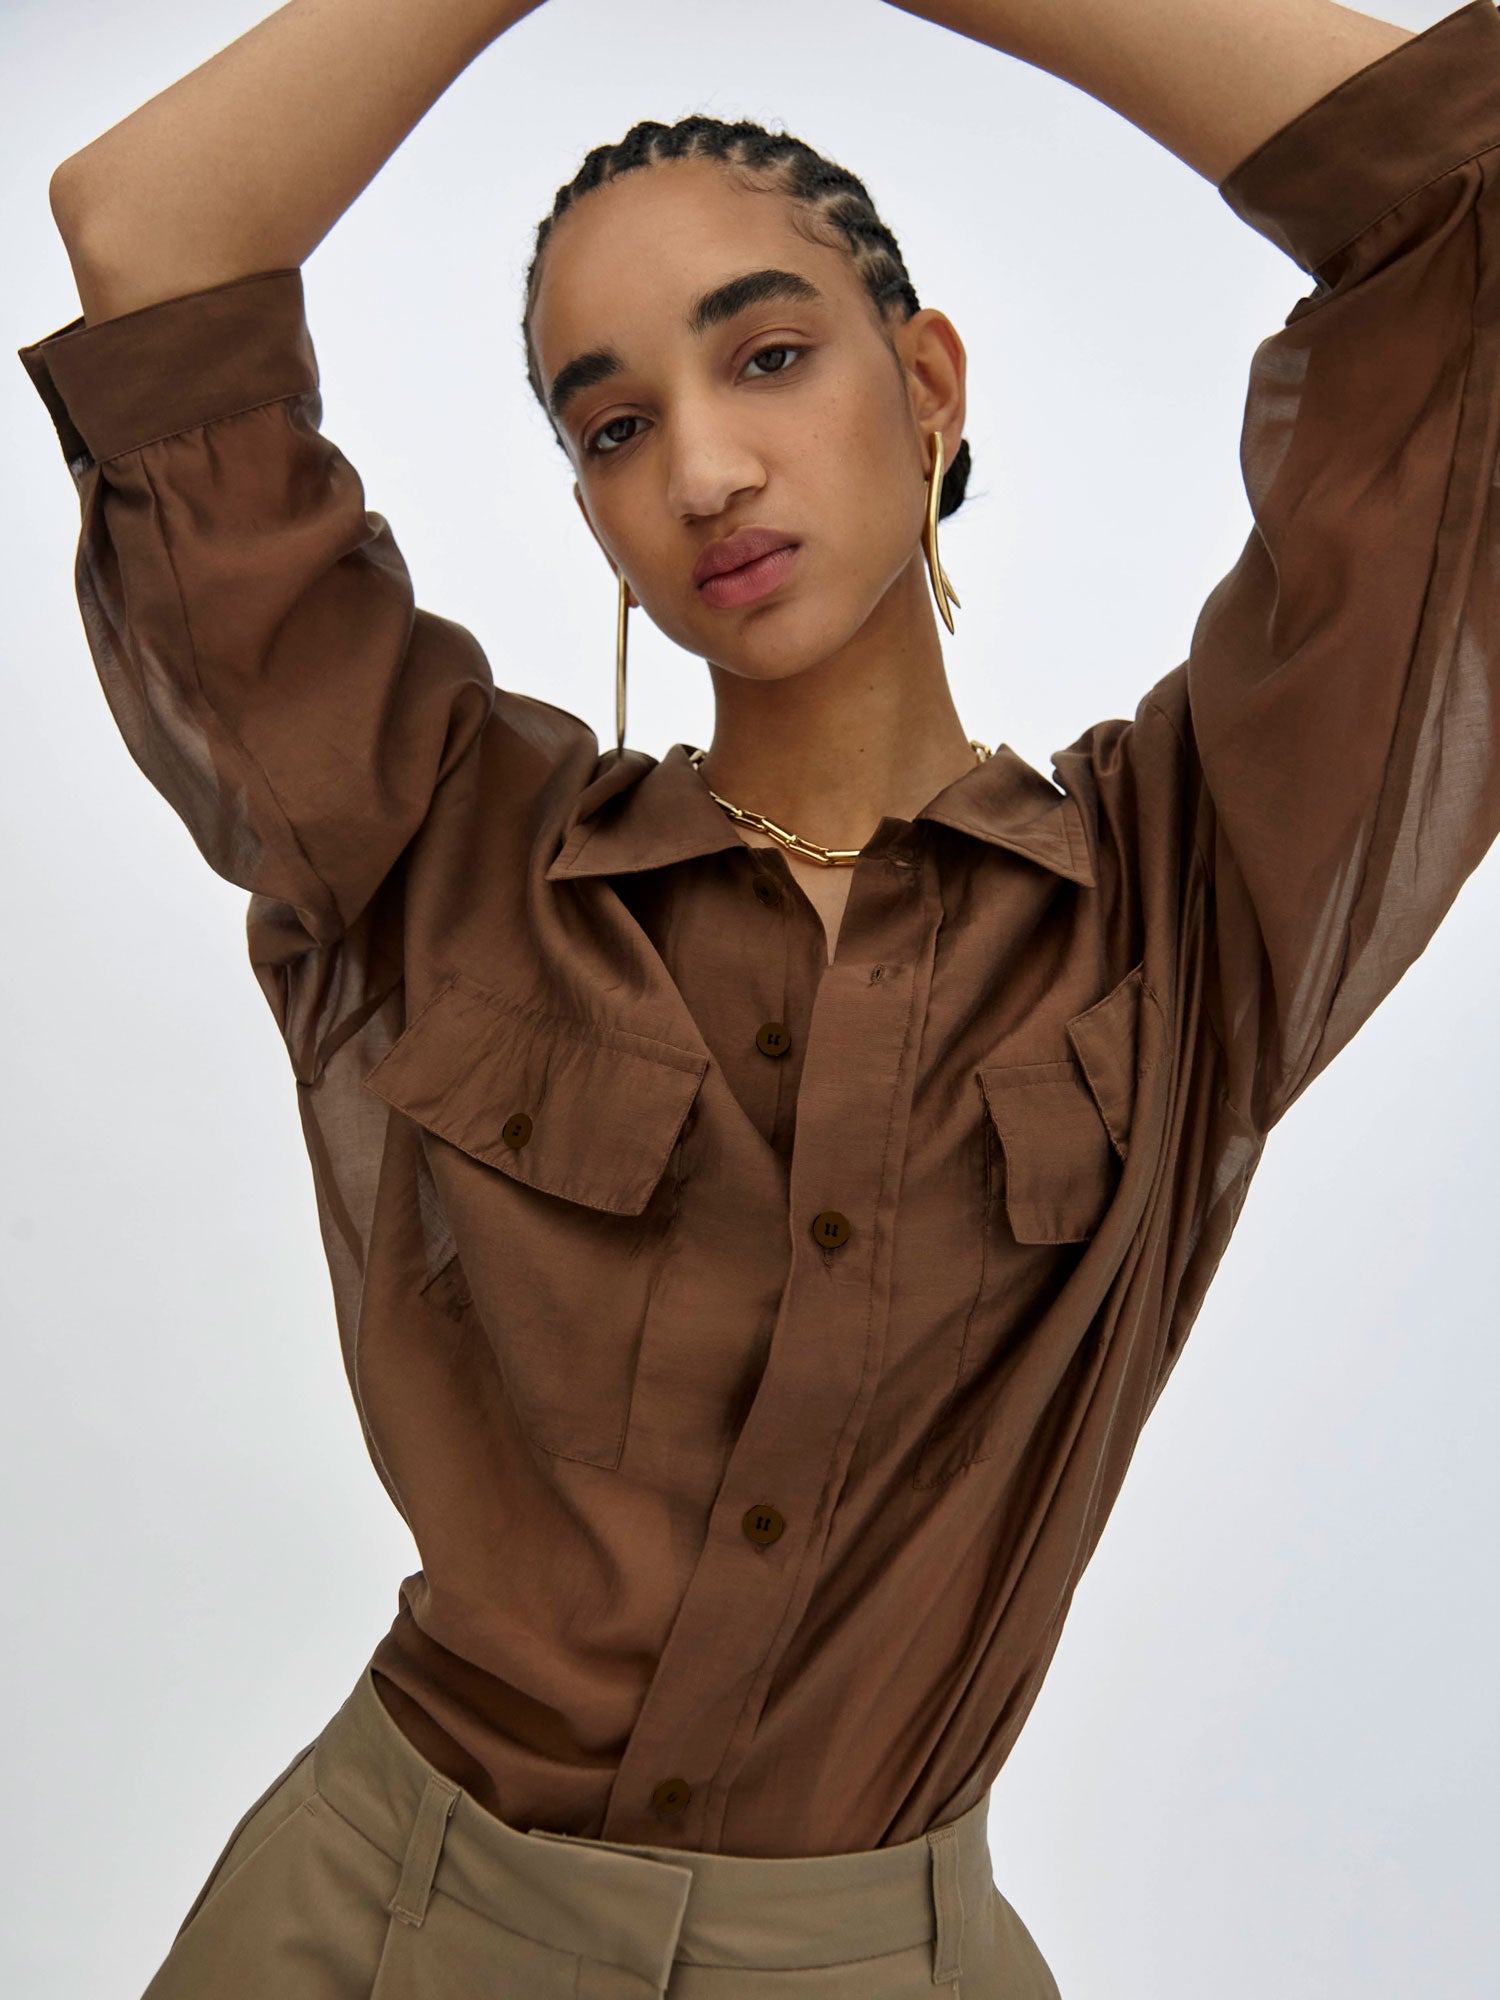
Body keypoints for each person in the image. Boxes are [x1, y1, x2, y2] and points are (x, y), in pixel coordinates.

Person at [19, 0, 1497, 1993]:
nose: (704, 466)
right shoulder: (433, 840)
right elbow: (145, 236)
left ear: (929, 385)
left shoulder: (1199, 896)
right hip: (375, 1931)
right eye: (611, 422)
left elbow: (1462, 216)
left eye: (771, 354)